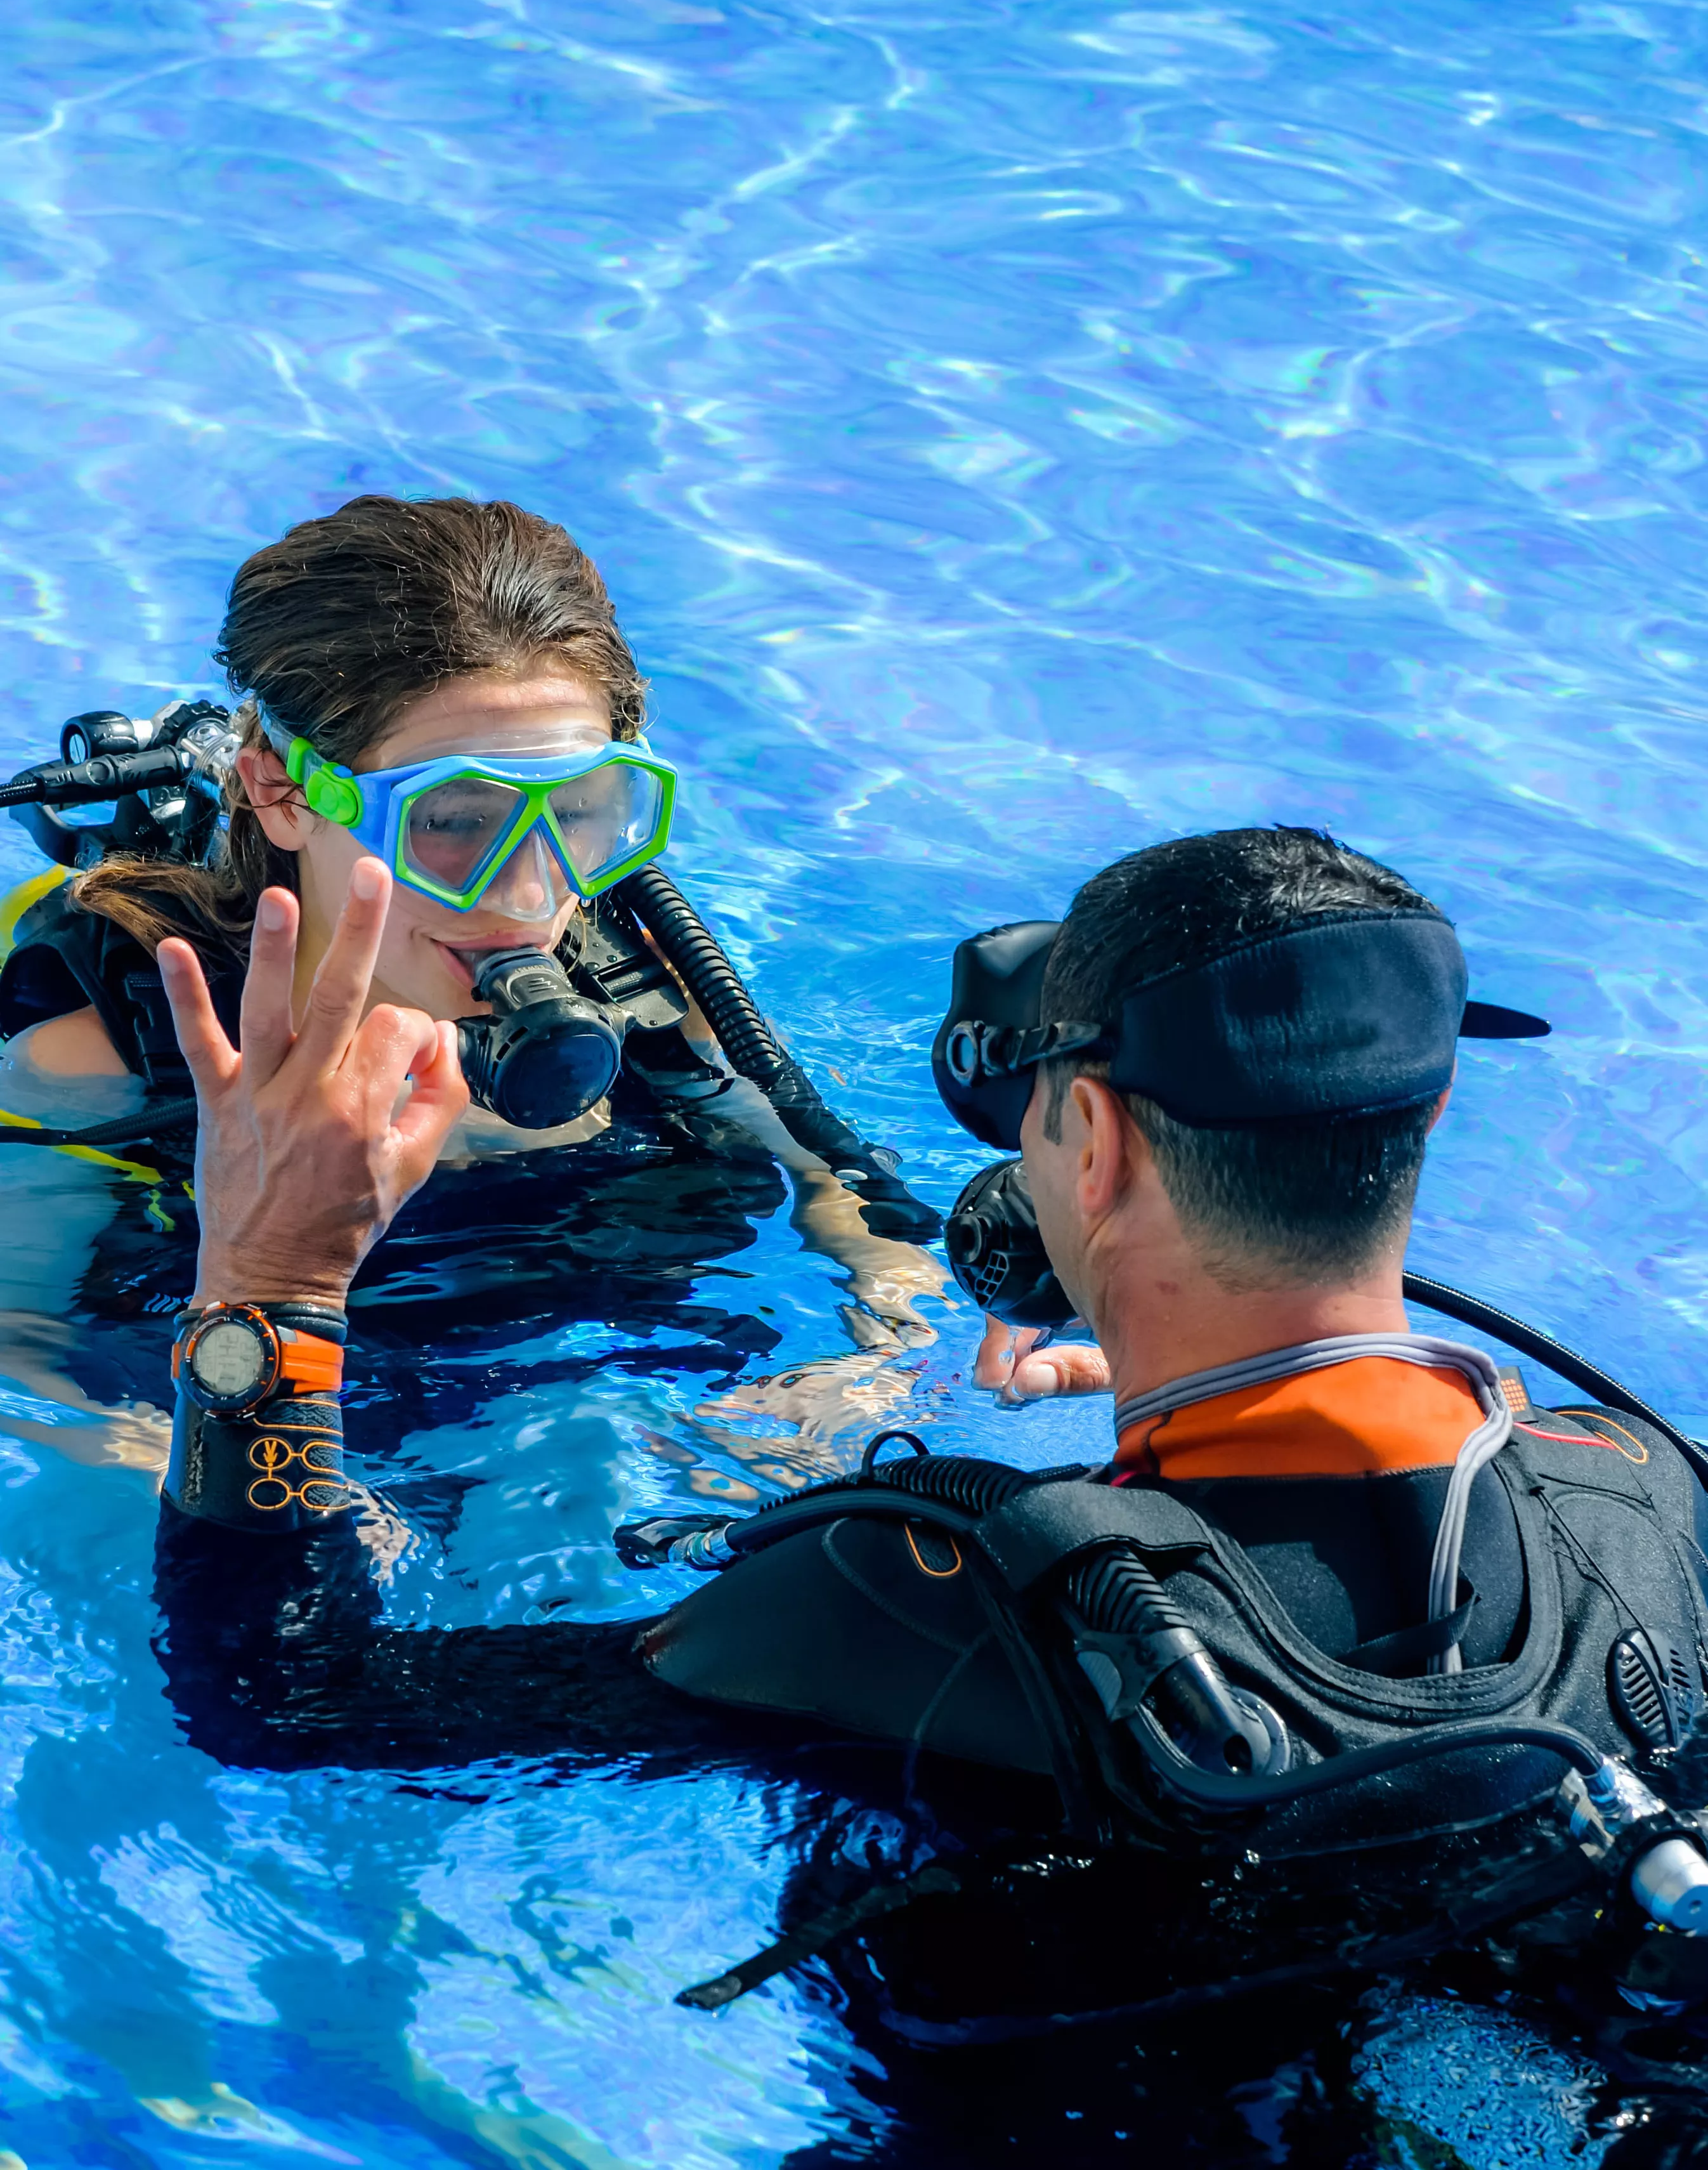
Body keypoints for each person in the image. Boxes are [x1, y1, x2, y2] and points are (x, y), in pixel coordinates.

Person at [149, 823, 1708, 2025]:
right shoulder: (1647, 1496)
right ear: (1427, 1113)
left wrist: (272, 1284)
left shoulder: (921, 1598)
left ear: (1085, 1131)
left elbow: (286, 1695)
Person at [0, 495, 943, 1475]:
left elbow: (848, 1193)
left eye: (579, 811)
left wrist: (874, 1357)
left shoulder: (652, 989)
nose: (531, 890)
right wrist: (186, 1461)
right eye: (450, 820)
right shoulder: (110, 1063)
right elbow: (20, 1349)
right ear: (284, 793)